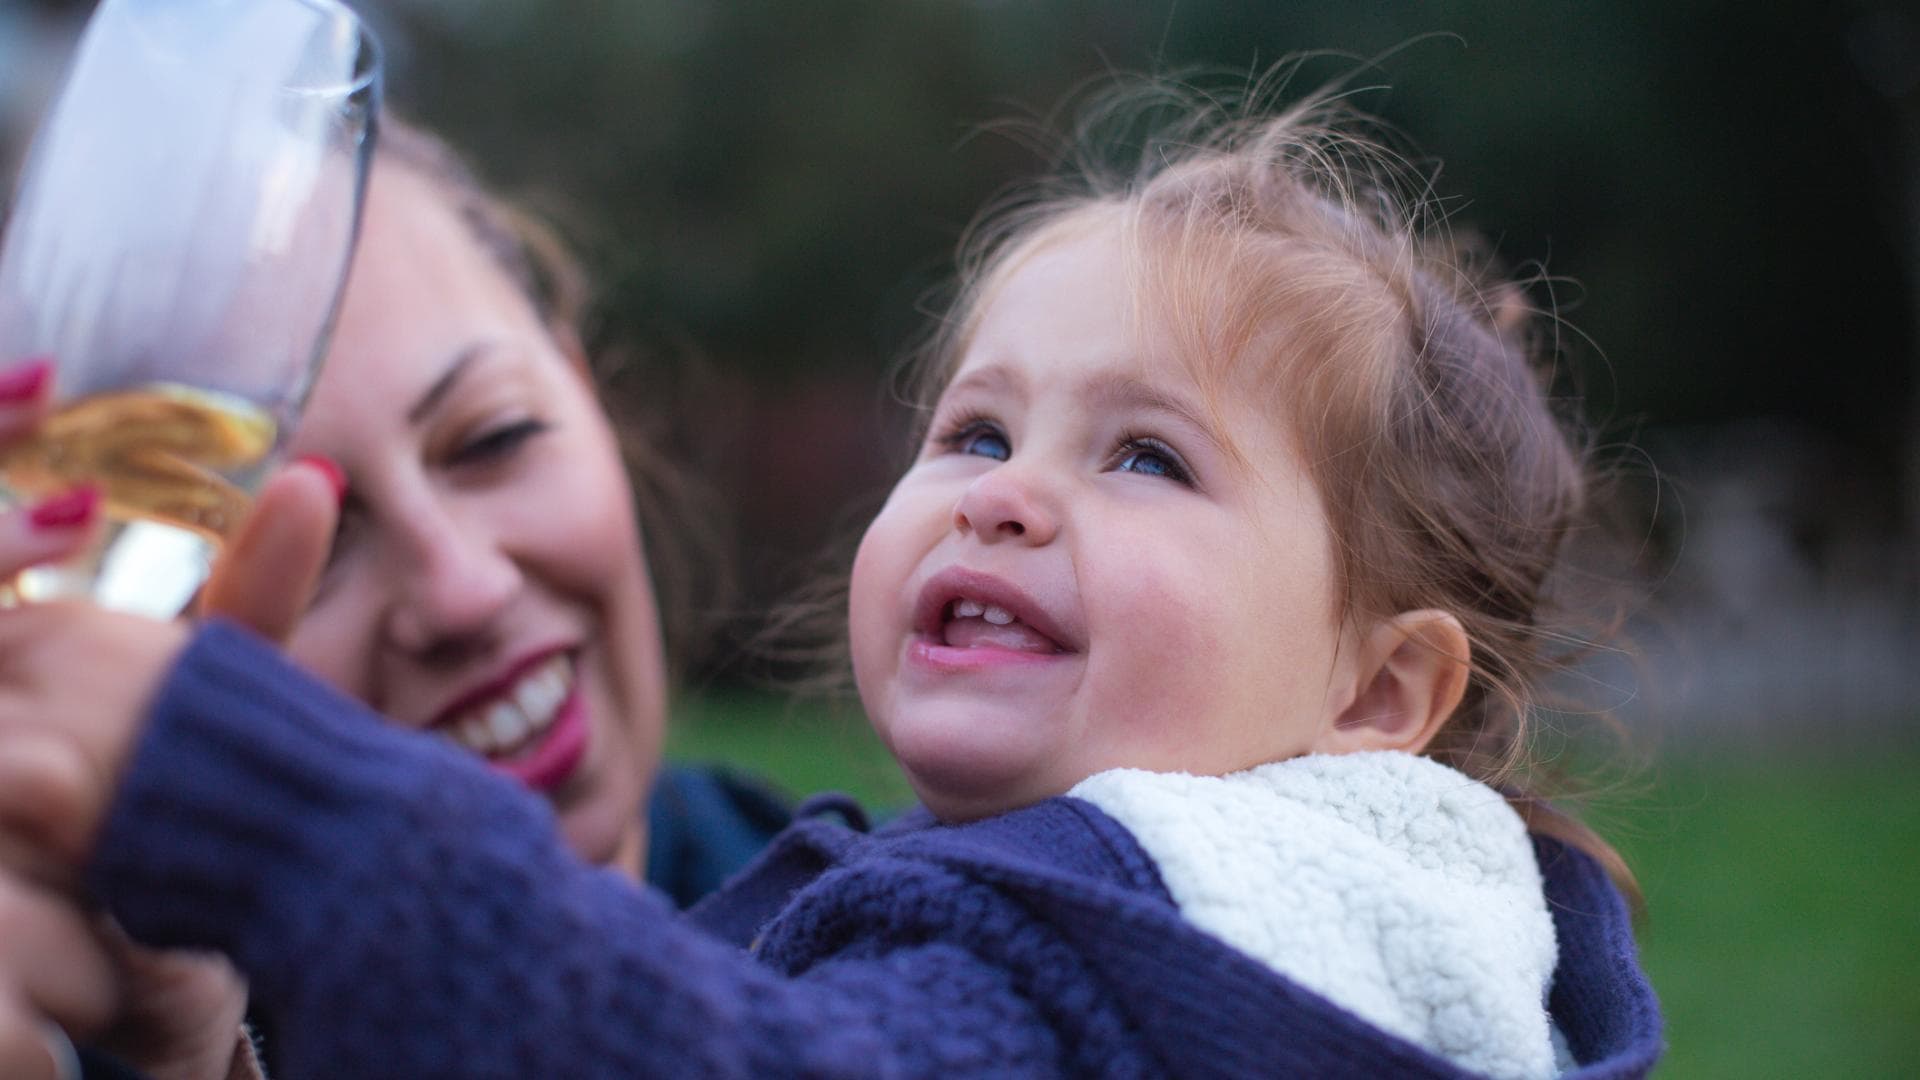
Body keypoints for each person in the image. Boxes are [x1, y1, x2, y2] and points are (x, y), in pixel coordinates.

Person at [0, 79, 1662, 1078]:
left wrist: (277, 813)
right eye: (972, 431)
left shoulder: (1128, 942)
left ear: (1378, 693)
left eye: (1144, 458)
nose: (1007, 496)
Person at [0, 115, 791, 1080]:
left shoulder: (926, 942)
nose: (463, 592)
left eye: (493, 436)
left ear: (583, 388)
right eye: (312, 541)